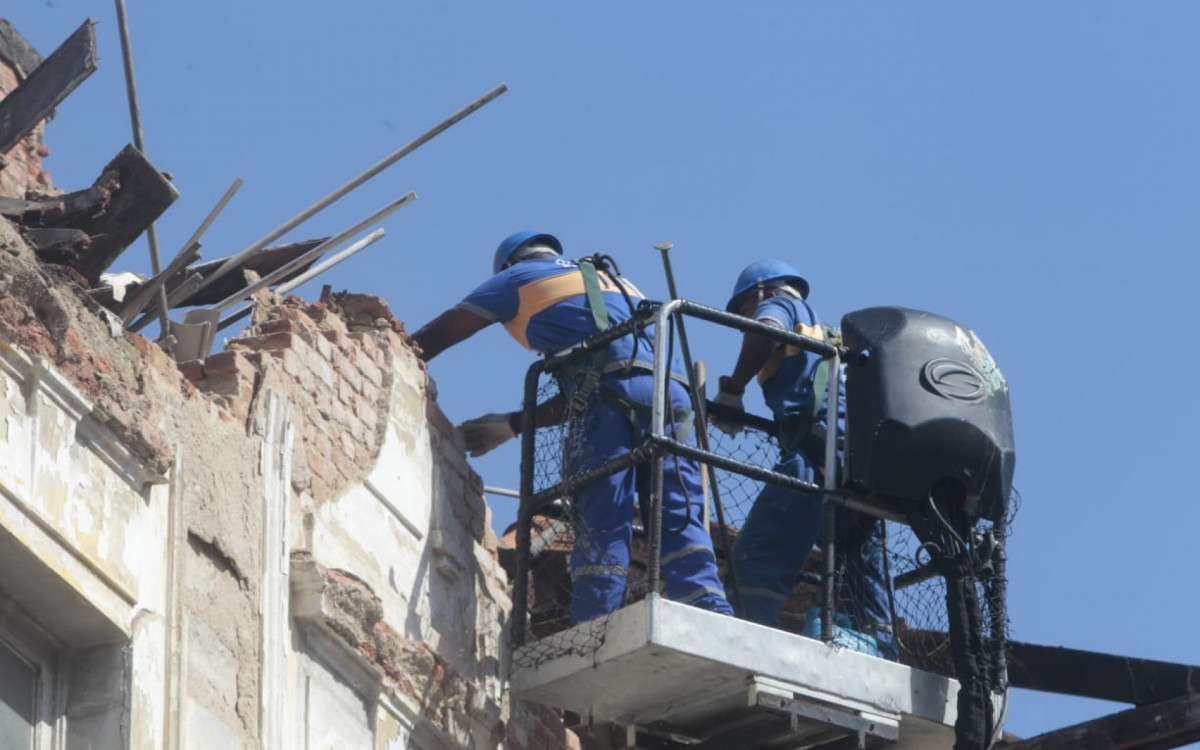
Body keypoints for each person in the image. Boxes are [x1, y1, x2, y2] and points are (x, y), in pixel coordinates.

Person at [412, 231, 733, 623]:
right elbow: (602, 379)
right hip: (672, 400)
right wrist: (514, 424)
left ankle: (597, 627)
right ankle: (712, 612)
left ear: (512, 262)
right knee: (679, 513)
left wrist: (392, 353)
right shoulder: (613, 281)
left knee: (603, 513)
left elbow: (444, 332)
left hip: (611, 399)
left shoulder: (516, 279)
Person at [711, 260, 896, 659]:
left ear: (763, 293)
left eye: (744, 309)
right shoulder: (834, 336)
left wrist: (733, 389)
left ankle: (736, 637)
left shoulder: (785, 308)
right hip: (862, 472)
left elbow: (767, 331)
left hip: (814, 459)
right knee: (859, 576)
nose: (746, 320)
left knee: (761, 555)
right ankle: (877, 649)